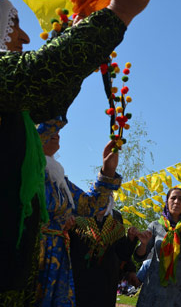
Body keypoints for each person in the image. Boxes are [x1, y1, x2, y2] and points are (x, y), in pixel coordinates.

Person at [0, 0, 151, 304]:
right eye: (14, 24)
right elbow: (41, 73)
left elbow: (51, 92)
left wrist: (108, 175)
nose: (26, 37)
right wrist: (116, 14)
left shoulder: (51, 174)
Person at [35, 120, 122, 306]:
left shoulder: (59, 179)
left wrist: (108, 170)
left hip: (58, 257)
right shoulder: (23, 167)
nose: (57, 132)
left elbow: (90, 206)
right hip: (31, 253)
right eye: (46, 124)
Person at [70, 206, 140, 307]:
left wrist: (131, 239)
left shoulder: (115, 216)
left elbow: (122, 253)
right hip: (81, 277)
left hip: (107, 281)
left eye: (108, 193)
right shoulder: (80, 211)